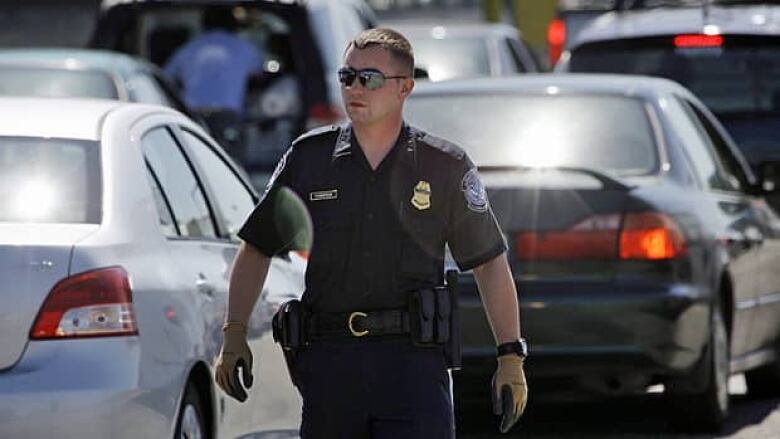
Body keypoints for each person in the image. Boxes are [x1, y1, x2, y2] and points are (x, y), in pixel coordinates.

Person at [215, 28, 528, 438]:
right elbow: (257, 248)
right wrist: (234, 333)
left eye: (370, 79)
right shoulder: (309, 160)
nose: (354, 88)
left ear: (405, 88)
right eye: (347, 77)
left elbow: (489, 263)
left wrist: (510, 356)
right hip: (330, 366)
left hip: (413, 367)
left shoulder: (443, 165)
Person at [163, 5, 263, 158]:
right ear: (233, 25)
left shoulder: (188, 48)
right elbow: (259, 74)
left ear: (204, 24)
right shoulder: (246, 48)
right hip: (228, 117)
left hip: (193, 117)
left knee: (196, 161)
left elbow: (166, 78)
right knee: (233, 165)